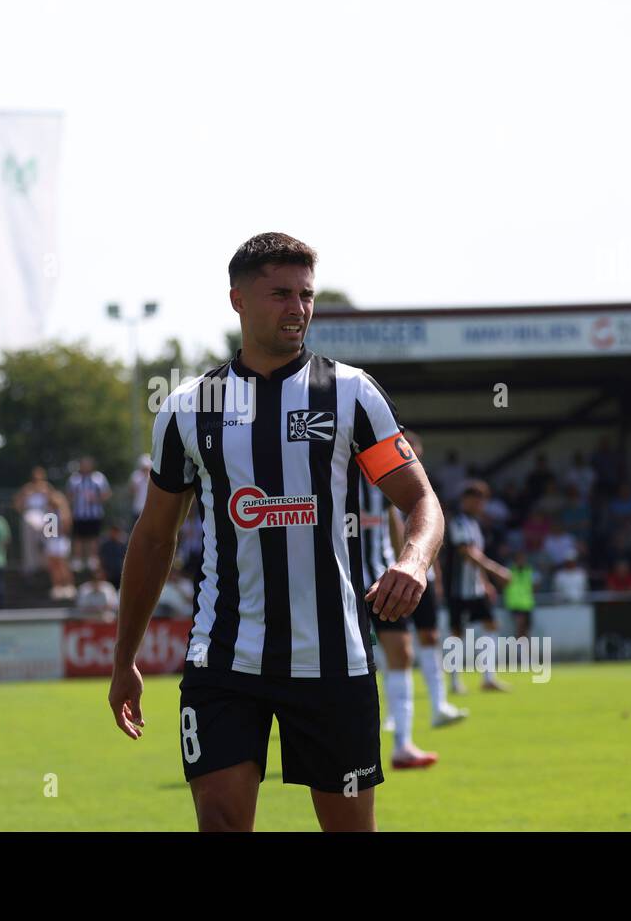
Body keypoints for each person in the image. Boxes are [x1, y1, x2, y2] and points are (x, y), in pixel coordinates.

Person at [108, 232, 444, 832]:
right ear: (237, 299)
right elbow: (154, 538)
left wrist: (415, 560)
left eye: (306, 295)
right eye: (281, 294)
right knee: (221, 823)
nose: (298, 309)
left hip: (334, 658)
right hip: (224, 659)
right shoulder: (189, 407)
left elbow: (420, 499)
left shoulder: (352, 393)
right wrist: (124, 656)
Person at [361, 466, 450, 771]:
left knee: (401, 652)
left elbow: (394, 523)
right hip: (337, 581)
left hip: (379, 576)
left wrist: (407, 565)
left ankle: (403, 745)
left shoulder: (379, 479)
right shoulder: (322, 468)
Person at [444, 479, 513, 694]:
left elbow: (476, 556)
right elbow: (468, 553)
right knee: (457, 633)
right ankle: (455, 682)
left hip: (475, 588)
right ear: (466, 500)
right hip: (458, 588)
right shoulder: (458, 522)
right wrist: (495, 571)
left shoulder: (474, 524)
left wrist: (485, 583)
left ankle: (488, 678)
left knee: (491, 624)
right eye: (477, 500)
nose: (480, 505)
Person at [66, 457, 111, 574]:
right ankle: (78, 560)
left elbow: (107, 494)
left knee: (94, 537)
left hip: (94, 513)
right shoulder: (74, 479)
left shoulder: (99, 478)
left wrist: (95, 498)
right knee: (78, 537)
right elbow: (69, 495)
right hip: (79, 513)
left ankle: (93, 559)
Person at [503, 550, 537, 639]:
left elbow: (535, 585)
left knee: (526, 629)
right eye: (519, 559)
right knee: (520, 626)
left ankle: (525, 650)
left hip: (527, 604)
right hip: (515, 604)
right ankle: (519, 650)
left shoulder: (529, 570)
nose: (521, 561)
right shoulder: (508, 571)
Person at [98, 521, 129, 592]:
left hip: (121, 575)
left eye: (117, 531)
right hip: (108, 575)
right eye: (114, 530)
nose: (115, 533)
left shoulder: (124, 545)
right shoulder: (105, 545)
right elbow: (101, 558)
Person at [129, 454, 152, 528]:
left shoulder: (152, 477)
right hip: (137, 508)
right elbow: (132, 490)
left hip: (149, 509)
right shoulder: (136, 476)